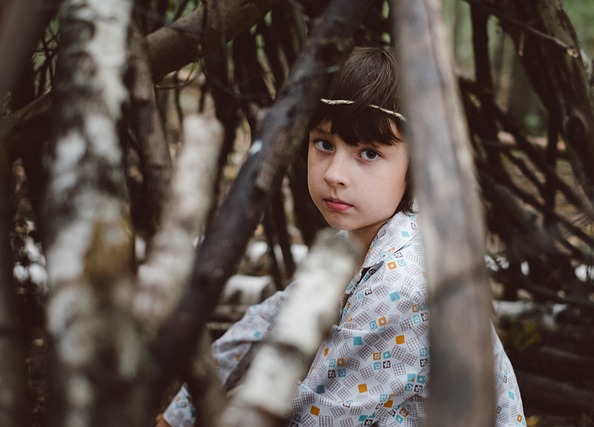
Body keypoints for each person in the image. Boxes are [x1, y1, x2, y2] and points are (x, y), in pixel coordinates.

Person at [158, 46, 526, 427]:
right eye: (324, 144)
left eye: (368, 153)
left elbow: (319, 417)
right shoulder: (351, 243)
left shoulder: (405, 283)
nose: (334, 173)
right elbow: (269, 322)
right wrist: (177, 416)